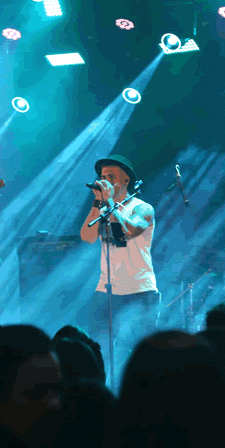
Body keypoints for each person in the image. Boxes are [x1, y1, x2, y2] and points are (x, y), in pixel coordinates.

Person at [79, 155, 159, 370]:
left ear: (126, 180)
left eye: (111, 177)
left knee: (142, 353)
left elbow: (128, 231)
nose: (105, 181)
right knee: (98, 351)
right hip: (106, 290)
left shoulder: (143, 208)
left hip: (139, 290)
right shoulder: (103, 209)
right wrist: (98, 202)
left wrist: (110, 203)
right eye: (103, 177)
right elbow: (87, 237)